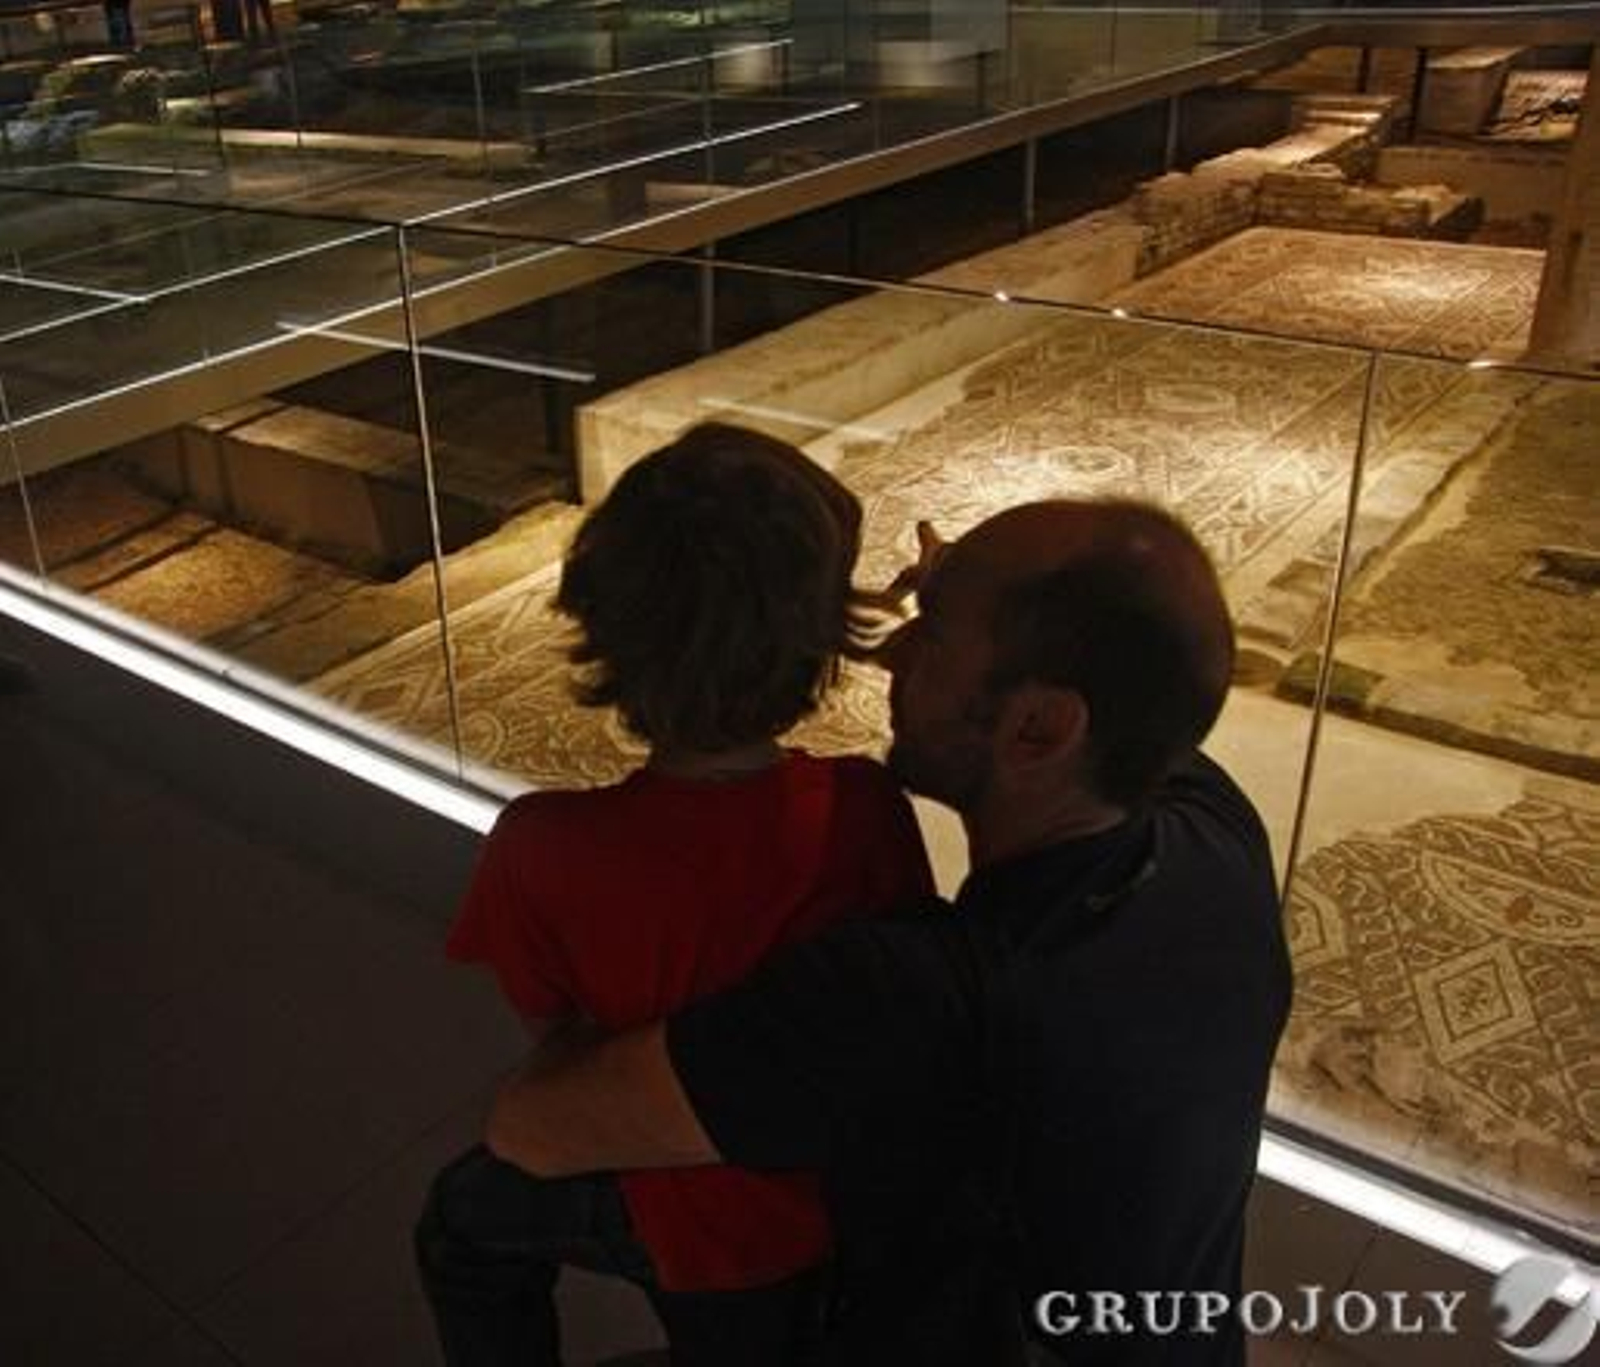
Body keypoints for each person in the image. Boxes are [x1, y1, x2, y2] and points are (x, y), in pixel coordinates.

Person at [487, 497, 1294, 1364]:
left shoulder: (908, 1003)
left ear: (1039, 726)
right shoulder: (1211, 830)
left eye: (932, 636)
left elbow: (531, 1127)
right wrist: (963, 596)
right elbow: (1132, 648)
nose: (897, 654)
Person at [415, 423, 934, 1366]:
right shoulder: (864, 808)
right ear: (823, 644)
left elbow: (559, 1038)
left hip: (677, 1218)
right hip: (831, 1202)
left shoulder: (542, 845)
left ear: (603, 627)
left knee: (460, 1225)